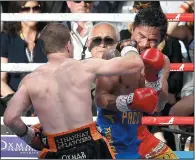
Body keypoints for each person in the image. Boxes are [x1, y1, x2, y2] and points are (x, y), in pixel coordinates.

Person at [3, 23, 144, 159]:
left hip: (56, 150)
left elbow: (10, 118)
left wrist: (30, 137)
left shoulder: (30, 80)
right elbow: (135, 64)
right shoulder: (84, 67)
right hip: (90, 147)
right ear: (69, 46)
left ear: (44, 50)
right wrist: (128, 47)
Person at [90, 8, 178, 159]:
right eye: (141, 36)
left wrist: (153, 78)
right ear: (132, 29)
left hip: (139, 135)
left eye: (152, 41)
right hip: (110, 135)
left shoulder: (162, 61)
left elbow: (159, 105)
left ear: (161, 41)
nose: (144, 44)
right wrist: (129, 102)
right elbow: (100, 98)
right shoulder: (113, 55)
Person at [1, 1, 47, 116]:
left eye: (36, 8)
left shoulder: (48, 37)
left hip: (46, 102)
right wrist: (19, 103)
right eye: (25, 9)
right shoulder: (6, 38)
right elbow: (1, 80)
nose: (31, 13)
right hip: (14, 102)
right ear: (17, 11)